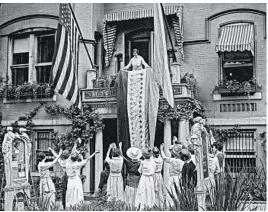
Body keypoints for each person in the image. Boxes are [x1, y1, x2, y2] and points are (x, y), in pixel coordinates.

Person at [50, 139, 80, 209]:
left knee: (64, 191)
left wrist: (52, 150)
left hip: (65, 176)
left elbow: (57, 157)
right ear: (68, 155)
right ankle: (72, 205)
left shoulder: (62, 161)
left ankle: (64, 205)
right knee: (72, 191)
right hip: (70, 177)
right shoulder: (69, 160)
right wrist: (76, 143)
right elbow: (73, 150)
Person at [160, 143, 184, 208]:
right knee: (178, 192)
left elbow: (164, 158)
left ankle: (172, 206)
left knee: (171, 192)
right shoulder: (182, 162)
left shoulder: (172, 160)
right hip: (179, 178)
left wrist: (161, 150)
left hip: (172, 178)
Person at [120, 143, 142, 209]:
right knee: (136, 193)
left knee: (129, 194)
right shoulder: (140, 163)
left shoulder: (128, 162)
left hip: (129, 180)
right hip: (137, 179)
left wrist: (120, 147)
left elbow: (122, 156)